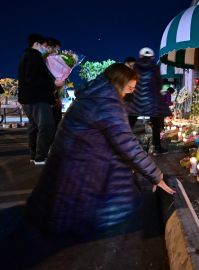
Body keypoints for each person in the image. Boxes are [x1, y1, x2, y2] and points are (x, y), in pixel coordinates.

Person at [26, 63, 175, 236]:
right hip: (81, 170)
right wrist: (156, 175)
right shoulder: (108, 103)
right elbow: (127, 144)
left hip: (66, 163)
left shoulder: (93, 95)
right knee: (123, 194)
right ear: (119, 82)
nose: (131, 92)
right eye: (129, 88)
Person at [18, 34, 60, 165]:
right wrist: (54, 84)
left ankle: (35, 155)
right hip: (37, 98)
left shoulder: (27, 56)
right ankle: (40, 157)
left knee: (34, 126)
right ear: (36, 44)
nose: (46, 48)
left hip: (29, 98)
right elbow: (33, 79)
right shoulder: (34, 57)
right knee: (46, 126)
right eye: (45, 46)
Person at [125, 47, 171, 155]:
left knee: (130, 121)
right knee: (156, 122)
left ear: (140, 56)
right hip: (152, 101)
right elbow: (159, 82)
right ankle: (157, 147)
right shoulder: (155, 67)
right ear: (152, 57)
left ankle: (123, 143)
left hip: (137, 99)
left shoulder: (135, 66)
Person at [47, 37, 64, 131]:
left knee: (57, 122)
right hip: (49, 99)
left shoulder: (56, 63)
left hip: (56, 98)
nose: (58, 52)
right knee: (49, 125)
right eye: (57, 50)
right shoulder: (44, 62)